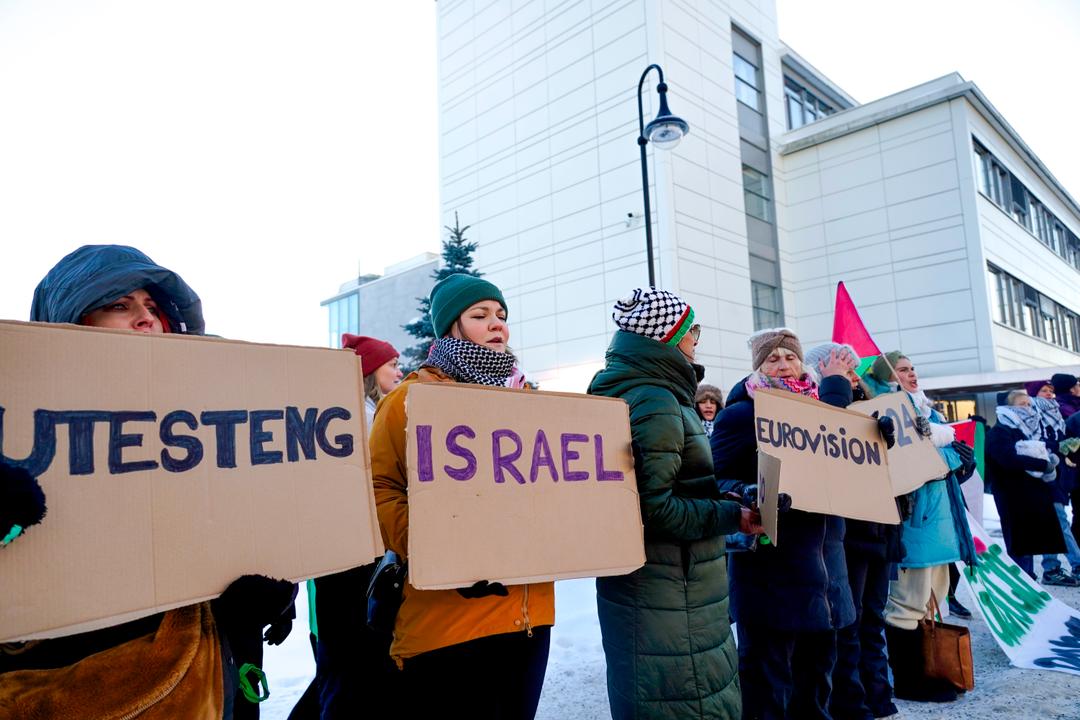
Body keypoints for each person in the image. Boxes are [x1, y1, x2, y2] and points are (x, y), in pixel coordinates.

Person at [2, 245, 296, 719]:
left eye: (154, 307)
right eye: (119, 305)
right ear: (67, 323)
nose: (146, 319)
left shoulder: (213, 423)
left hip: (213, 682)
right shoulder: (13, 430)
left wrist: (266, 591)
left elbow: (243, 520)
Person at [370, 273, 553, 719]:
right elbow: (377, 489)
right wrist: (443, 551)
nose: (498, 325)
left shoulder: (531, 401)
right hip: (446, 623)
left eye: (502, 316)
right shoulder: (409, 400)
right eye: (481, 315)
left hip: (528, 619)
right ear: (452, 326)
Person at [588, 288, 757, 719]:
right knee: (686, 701)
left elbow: (674, 485)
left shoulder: (647, 391)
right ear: (669, 336)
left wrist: (723, 497)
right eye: (692, 330)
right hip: (669, 591)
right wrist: (728, 514)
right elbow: (652, 508)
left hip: (670, 586)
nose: (696, 339)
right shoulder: (656, 400)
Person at [711, 329, 882, 720]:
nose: (783, 364)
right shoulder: (740, 414)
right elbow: (716, 479)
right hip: (770, 568)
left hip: (826, 569)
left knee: (817, 680)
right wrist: (750, 491)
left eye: (789, 357)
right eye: (772, 359)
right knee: (767, 680)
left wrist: (875, 442)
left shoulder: (825, 409)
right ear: (758, 366)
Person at [297, 334, 404, 719]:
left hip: (351, 560)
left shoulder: (368, 412)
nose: (399, 369)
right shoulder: (360, 419)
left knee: (344, 667)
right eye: (391, 363)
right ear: (370, 372)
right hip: (352, 562)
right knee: (349, 666)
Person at [866, 352, 976, 705]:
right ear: (887, 378)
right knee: (907, 604)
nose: (911, 374)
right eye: (902, 370)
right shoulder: (884, 412)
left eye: (913, 368)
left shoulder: (929, 414)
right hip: (915, 523)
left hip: (939, 523)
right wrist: (951, 453)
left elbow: (947, 465)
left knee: (933, 598)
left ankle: (927, 670)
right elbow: (918, 463)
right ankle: (909, 679)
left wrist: (958, 460)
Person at [804, 343, 901, 720]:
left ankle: (878, 698)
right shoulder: (822, 406)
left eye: (853, 366)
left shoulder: (873, 408)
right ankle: (853, 704)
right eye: (842, 366)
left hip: (881, 530)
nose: (852, 372)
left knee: (872, 619)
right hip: (851, 535)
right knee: (850, 624)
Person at [987, 389, 1075, 585]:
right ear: (1009, 408)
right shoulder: (1000, 432)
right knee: (1020, 545)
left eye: (1029, 405)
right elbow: (1007, 459)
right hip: (1012, 496)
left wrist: (1051, 459)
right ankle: (1022, 582)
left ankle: (1040, 575)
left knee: (1035, 539)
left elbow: (1042, 449)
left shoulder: (1030, 430)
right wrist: (1043, 464)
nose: (1027, 409)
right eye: (1022, 405)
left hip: (1034, 494)